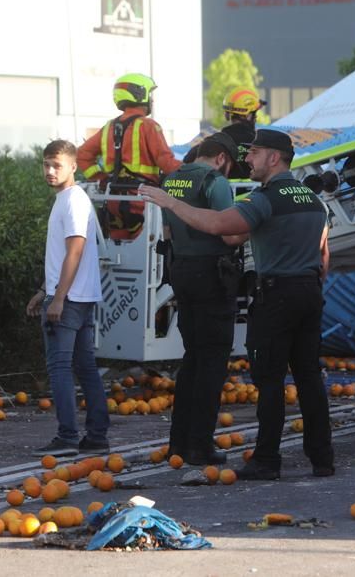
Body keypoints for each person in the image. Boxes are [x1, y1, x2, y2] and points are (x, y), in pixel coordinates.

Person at [138, 128, 333, 480]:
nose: (248, 160)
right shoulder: (312, 199)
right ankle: (322, 458)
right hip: (310, 291)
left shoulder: (265, 198)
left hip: (276, 296)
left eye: (255, 153)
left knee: (270, 379)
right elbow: (323, 252)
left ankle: (266, 460)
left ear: (274, 158)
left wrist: (169, 202)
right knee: (309, 377)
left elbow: (220, 227)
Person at [161, 132, 242, 466]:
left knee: (192, 358)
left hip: (181, 270)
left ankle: (177, 443)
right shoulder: (214, 182)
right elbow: (229, 231)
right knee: (212, 361)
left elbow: (167, 233)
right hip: (211, 273)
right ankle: (200, 446)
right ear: (222, 158)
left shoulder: (171, 181)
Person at [26, 140, 110, 457]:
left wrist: (57, 298)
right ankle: (97, 435)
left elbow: (75, 250)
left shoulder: (73, 200)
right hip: (77, 295)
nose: (50, 171)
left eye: (56, 165)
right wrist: (44, 291)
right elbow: (64, 254)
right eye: (46, 164)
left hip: (70, 298)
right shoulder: (68, 198)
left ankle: (67, 436)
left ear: (73, 166)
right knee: (85, 366)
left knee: (59, 367)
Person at [77, 73, 181, 239]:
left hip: (113, 200)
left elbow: (82, 155)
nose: (152, 100)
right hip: (143, 202)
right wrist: (193, 170)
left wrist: (101, 178)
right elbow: (166, 163)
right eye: (150, 95)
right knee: (153, 253)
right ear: (140, 94)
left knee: (119, 253)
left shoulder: (108, 128)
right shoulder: (148, 126)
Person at [182, 86, 264, 179]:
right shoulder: (262, 146)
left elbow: (184, 169)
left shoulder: (206, 146)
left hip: (216, 193)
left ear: (227, 114)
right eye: (255, 114)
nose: (256, 118)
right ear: (248, 115)